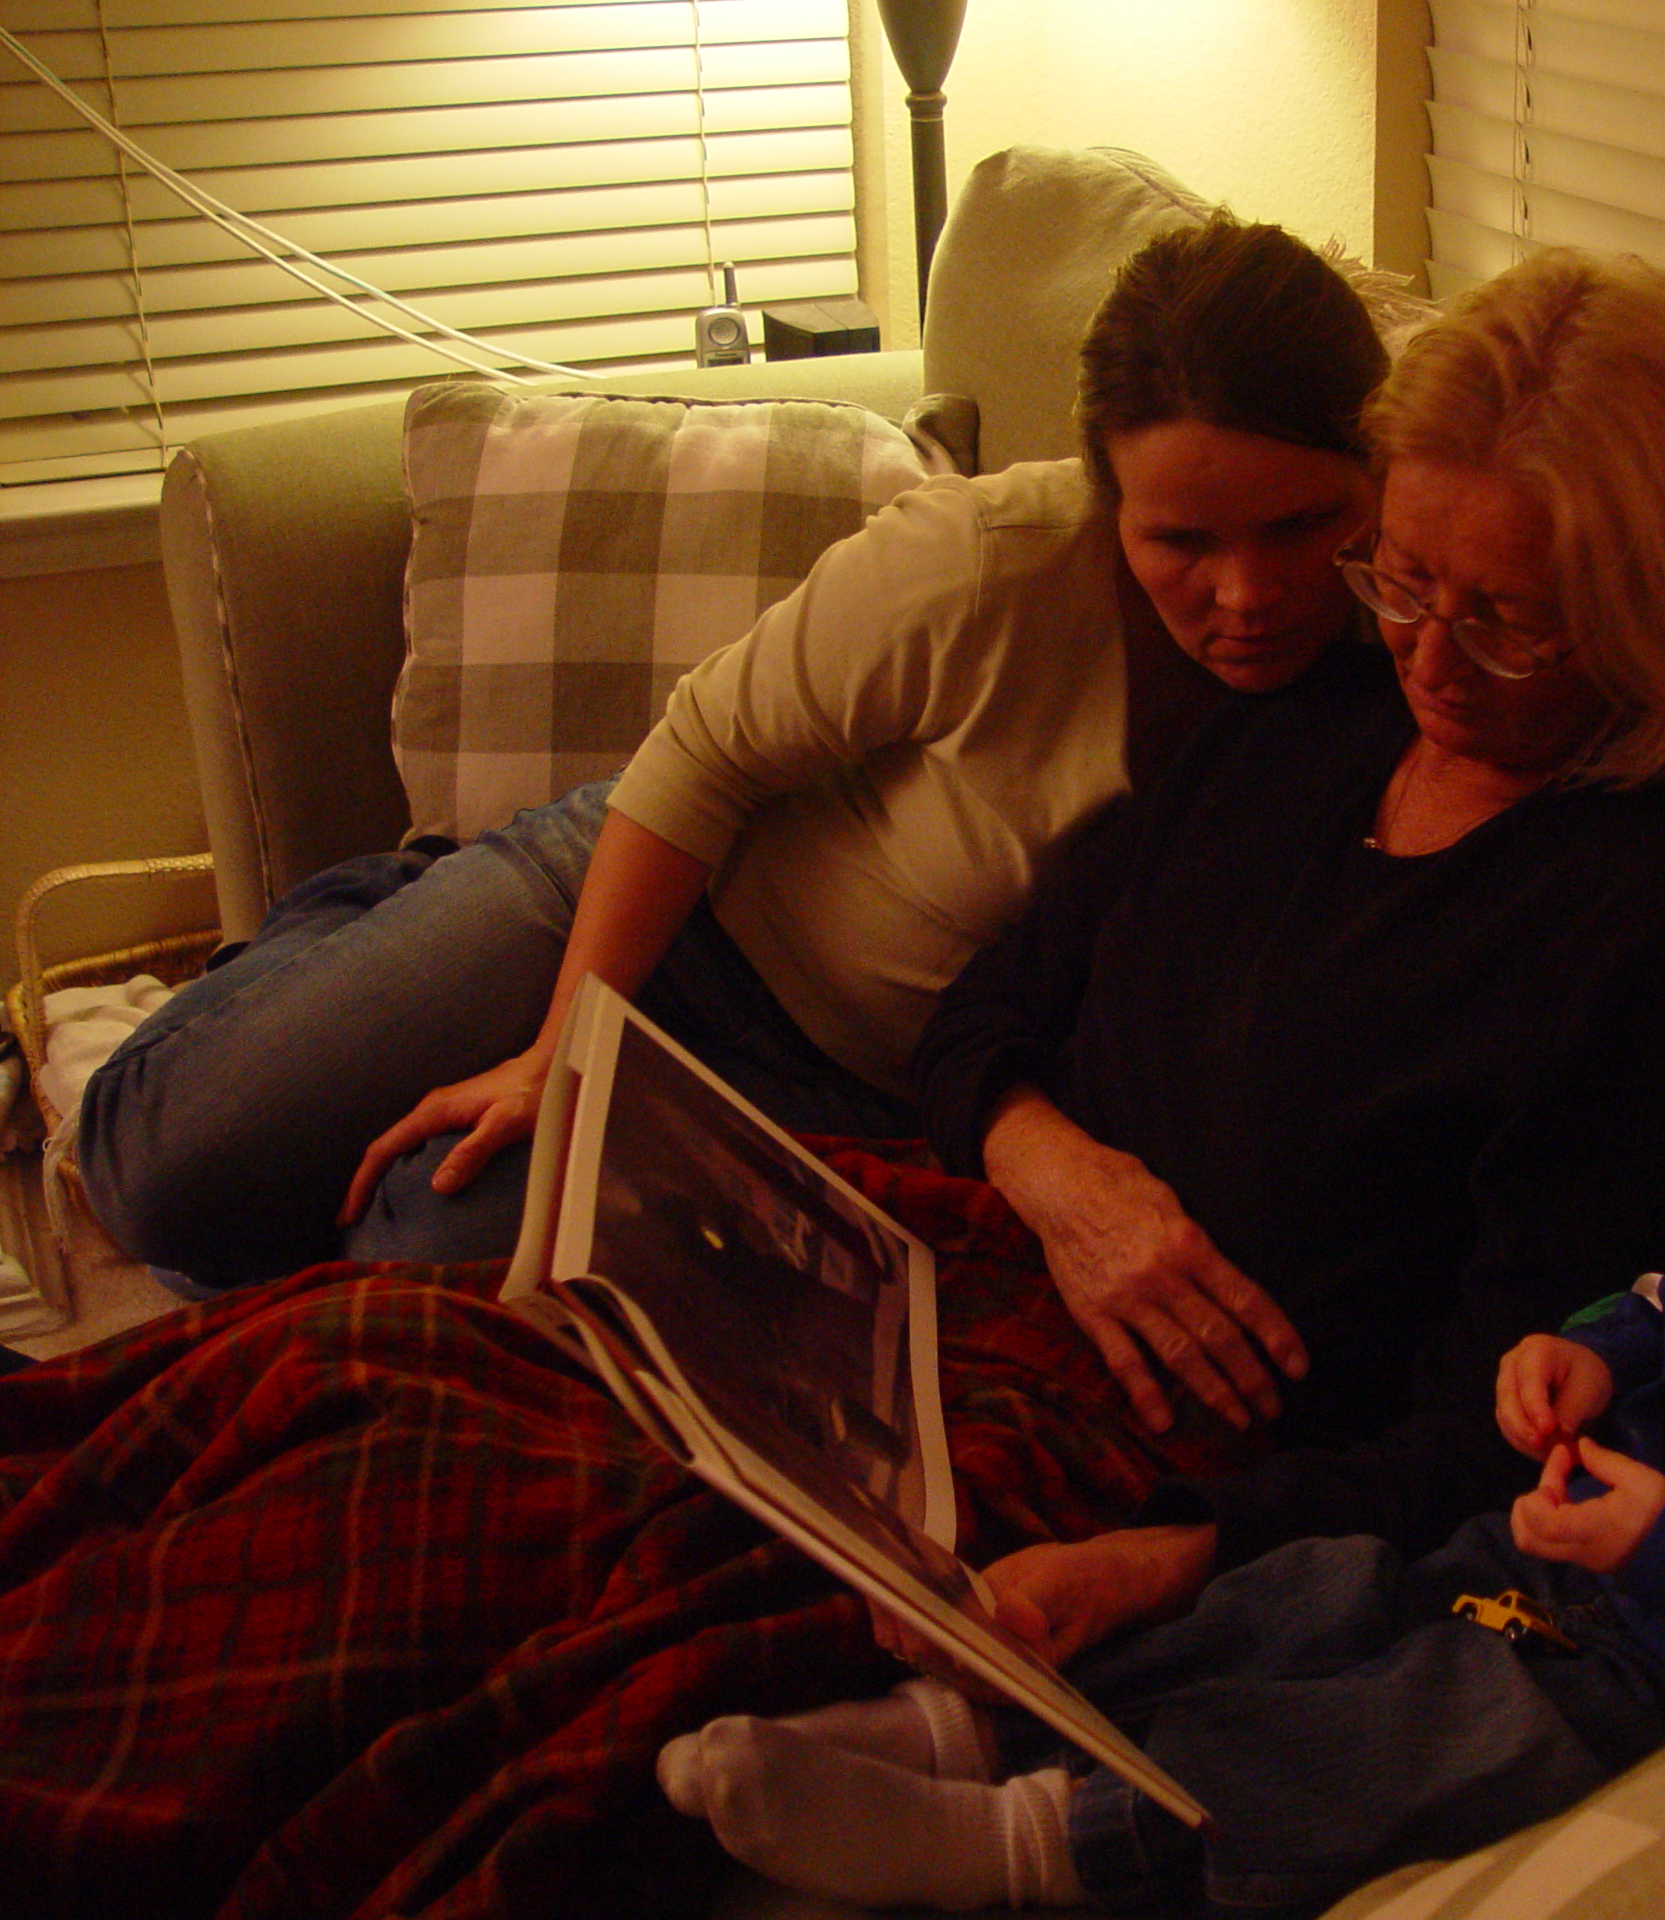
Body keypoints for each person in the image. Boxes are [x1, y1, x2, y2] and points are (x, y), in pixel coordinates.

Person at [0, 244, 1665, 1920]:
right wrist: (1054, 1167)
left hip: (1139, 1433)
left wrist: (1179, 1557)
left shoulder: (1657, 925)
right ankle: (376, 919)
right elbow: (979, 1020)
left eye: (1504, 622)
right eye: (1403, 584)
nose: (1419, 654)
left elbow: (1488, 1427)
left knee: (473, 1517)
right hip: (942, 1245)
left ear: (1651, 609)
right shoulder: (1312, 714)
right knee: (354, 1344)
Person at [658, 693, 1665, 1915]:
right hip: (1563, 1540)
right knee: (1318, 1598)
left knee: (1424, 1729)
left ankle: (1034, 1847)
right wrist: (1585, 1352)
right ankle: (974, 1730)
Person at [77, 216, 1391, 1289]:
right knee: (164, 1178)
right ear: (1109, 494)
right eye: (1183, 543)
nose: (1250, 594)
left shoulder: (1394, 683)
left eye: (1300, 527)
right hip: (667, 890)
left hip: (836, 1093)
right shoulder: (988, 562)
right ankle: (385, 906)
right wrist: (562, 1049)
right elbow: (701, 755)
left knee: (413, 1247)